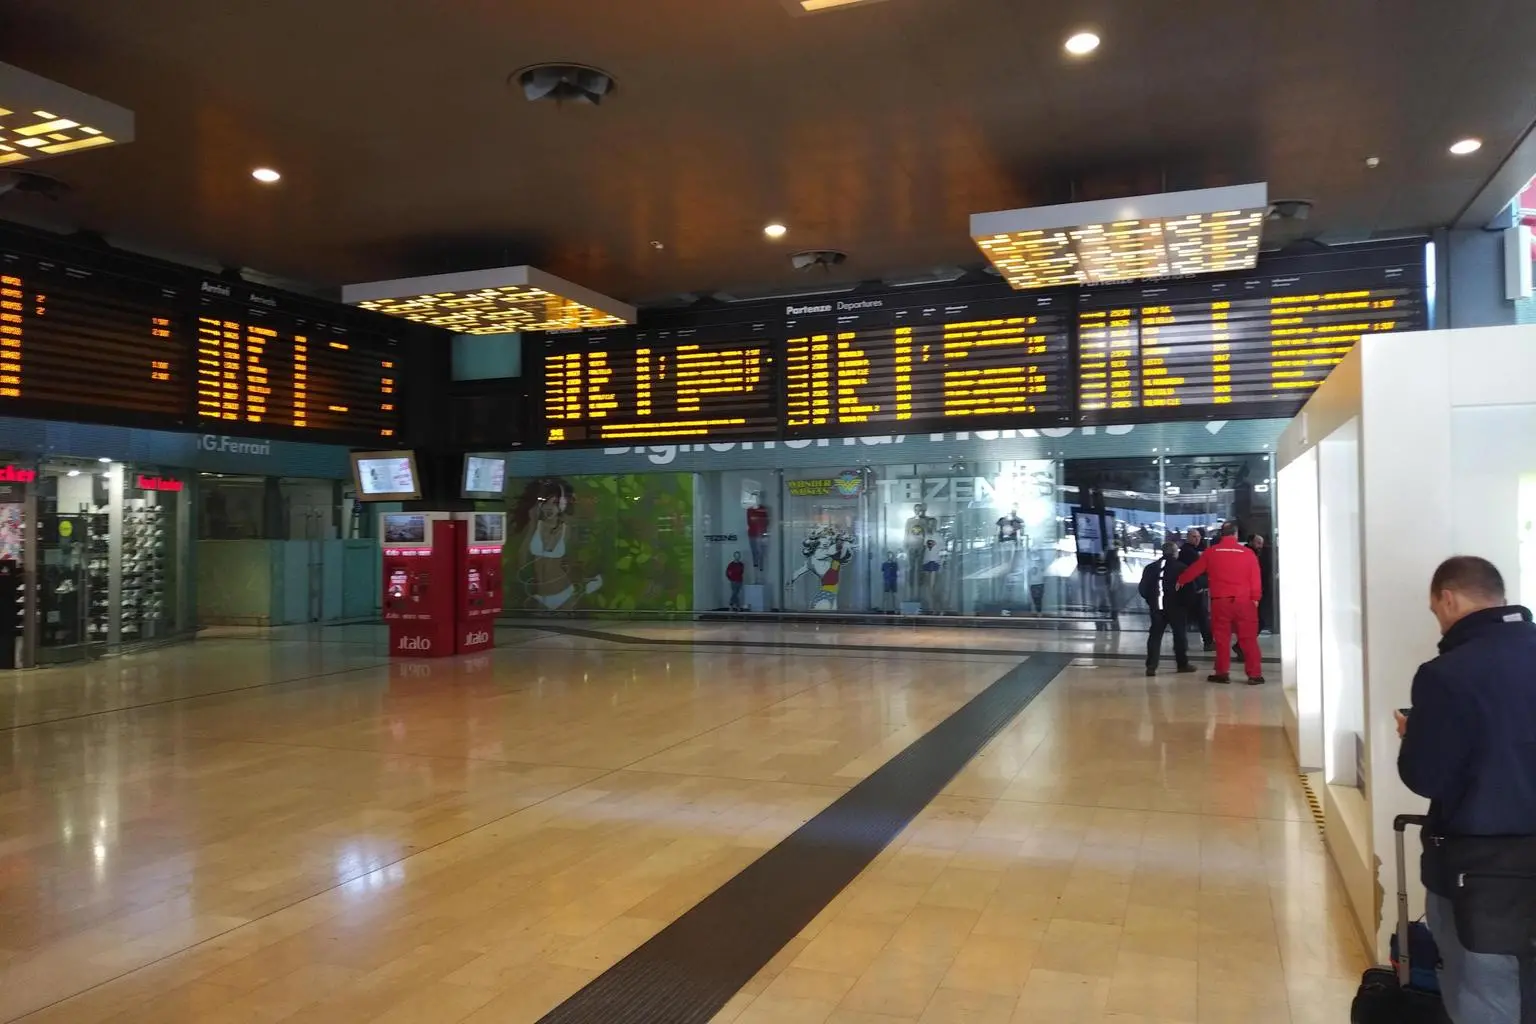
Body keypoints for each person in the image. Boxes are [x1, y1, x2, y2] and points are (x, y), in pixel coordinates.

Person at [1397, 556, 1536, 1023]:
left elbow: (1426, 776)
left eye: (1436, 609)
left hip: (1481, 875)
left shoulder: (1445, 675)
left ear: (1448, 599)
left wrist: (1415, 735)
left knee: (1484, 995)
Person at [1176, 522, 1264, 684]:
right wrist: (1255, 598)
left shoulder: (1211, 552)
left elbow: (1194, 570)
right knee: (1248, 639)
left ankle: (1222, 673)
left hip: (1221, 602)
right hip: (1244, 602)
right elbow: (1255, 579)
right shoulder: (1248, 554)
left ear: (1221, 534)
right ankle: (1254, 675)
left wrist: (1181, 580)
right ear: (1236, 534)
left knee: (1222, 640)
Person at [1139, 540, 1194, 677]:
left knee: (1155, 636)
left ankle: (1151, 666)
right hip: (1176, 608)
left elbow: (1143, 589)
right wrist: (1185, 605)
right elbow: (1189, 590)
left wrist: (1151, 601)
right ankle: (1182, 664)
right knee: (1179, 636)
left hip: (1157, 607)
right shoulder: (1181, 568)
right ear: (1175, 553)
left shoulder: (1150, 568)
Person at [1178, 527, 1214, 650]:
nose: (1197, 539)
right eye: (1194, 537)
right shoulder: (1187, 551)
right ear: (1188, 538)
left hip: (1194, 588)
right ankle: (1207, 642)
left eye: (1198, 537)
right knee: (1201, 615)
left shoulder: (1194, 550)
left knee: (1199, 615)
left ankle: (1206, 641)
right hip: (1191, 589)